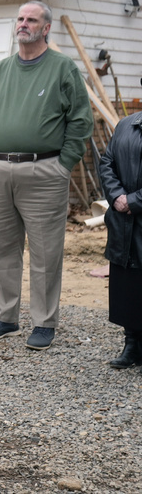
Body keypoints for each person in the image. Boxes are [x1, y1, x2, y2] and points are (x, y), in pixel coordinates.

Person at [0, 1, 92, 350]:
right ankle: (6, 316)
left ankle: (43, 322)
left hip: (44, 172)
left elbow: (81, 120)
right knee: (3, 249)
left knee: (45, 252)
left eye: (32, 19)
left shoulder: (62, 68)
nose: (24, 24)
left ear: (46, 28)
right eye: (20, 19)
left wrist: (63, 163)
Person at [97, 106, 142, 369]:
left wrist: (134, 200)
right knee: (128, 284)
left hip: (134, 212)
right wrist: (117, 197)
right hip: (123, 223)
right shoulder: (126, 124)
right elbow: (107, 162)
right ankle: (132, 345)